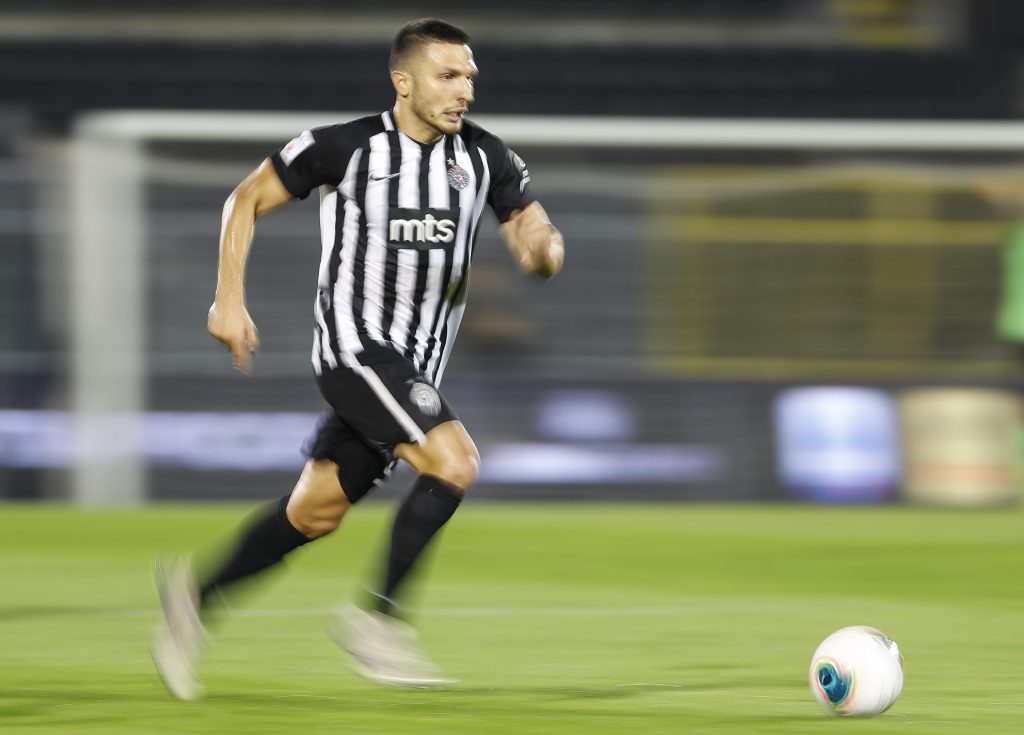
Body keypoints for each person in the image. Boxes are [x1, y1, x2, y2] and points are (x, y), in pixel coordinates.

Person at [151, 18, 564, 700]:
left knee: (313, 512)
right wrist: (228, 299)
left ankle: (193, 598)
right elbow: (246, 198)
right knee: (455, 460)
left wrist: (543, 248)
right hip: (355, 349)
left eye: (469, 77)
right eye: (447, 76)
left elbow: (532, 225)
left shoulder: (487, 157)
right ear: (404, 82)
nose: (463, 90)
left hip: (415, 367)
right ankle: (378, 621)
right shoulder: (344, 148)